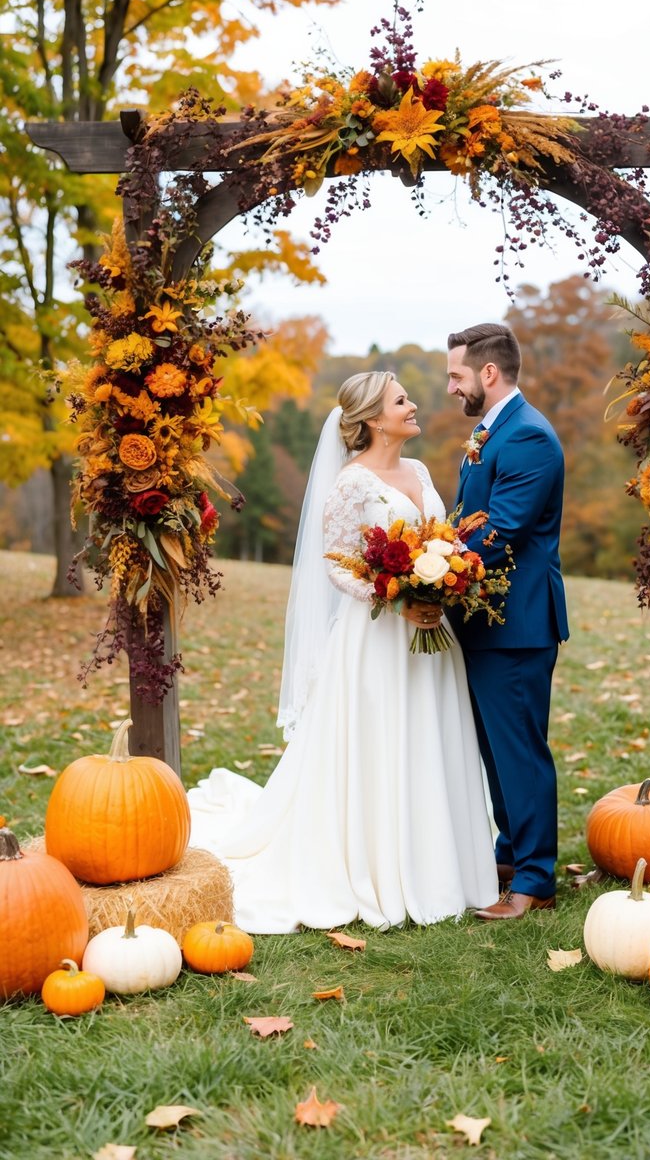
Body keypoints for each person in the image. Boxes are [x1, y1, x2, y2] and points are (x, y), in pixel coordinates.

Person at [187, 370, 498, 933]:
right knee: (381, 740)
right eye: (401, 401)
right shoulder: (351, 483)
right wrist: (392, 594)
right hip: (377, 635)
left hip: (431, 633)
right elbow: (334, 561)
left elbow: (442, 537)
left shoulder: (421, 470)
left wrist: (444, 580)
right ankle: (376, 864)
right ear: (374, 420)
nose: (413, 405)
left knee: (431, 734)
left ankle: (440, 865)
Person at [446, 322, 569, 921]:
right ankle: (510, 854)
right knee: (496, 749)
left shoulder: (529, 438)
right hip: (485, 619)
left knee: (519, 749)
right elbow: (470, 514)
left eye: (456, 375)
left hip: (516, 622)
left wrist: (436, 569)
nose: (451, 386)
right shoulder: (490, 431)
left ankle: (537, 878)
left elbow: (503, 530)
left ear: (487, 373)